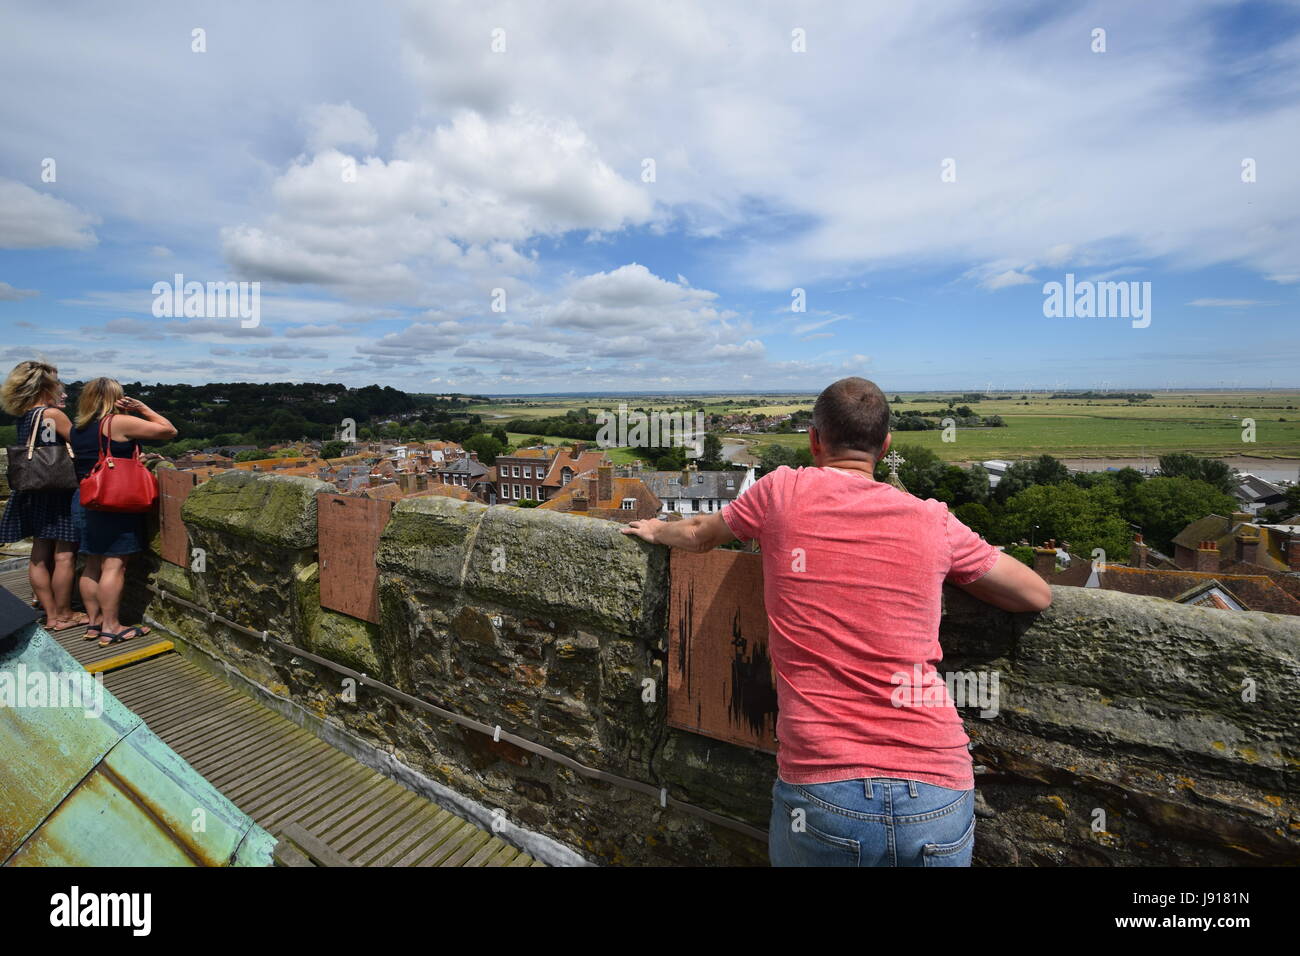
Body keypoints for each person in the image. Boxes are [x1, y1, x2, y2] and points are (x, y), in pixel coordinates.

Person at [621, 377, 1051, 867]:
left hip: (826, 788)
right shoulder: (933, 519)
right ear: (885, 445)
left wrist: (655, 528)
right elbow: (1034, 594)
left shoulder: (782, 490)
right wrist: (950, 567)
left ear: (814, 439)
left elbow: (699, 534)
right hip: (937, 791)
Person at [70, 377, 176, 646]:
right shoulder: (116, 422)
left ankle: (94, 623)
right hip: (112, 501)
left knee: (92, 563)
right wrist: (142, 408)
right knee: (115, 565)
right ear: (116, 397)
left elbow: (102, 456)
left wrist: (133, 458)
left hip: (85, 497)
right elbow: (168, 431)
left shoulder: (79, 427)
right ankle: (112, 626)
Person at [0, 360, 86, 630]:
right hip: (60, 490)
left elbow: (42, 445)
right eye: (57, 381)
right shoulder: (52, 415)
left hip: (35, 489)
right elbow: (82, 444)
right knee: (64, 556)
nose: (62, 387)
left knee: (39, 554)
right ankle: (64, 614)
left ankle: (49, 614)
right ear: (46, 385)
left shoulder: (25, 415)